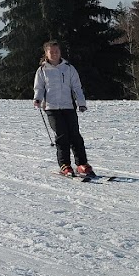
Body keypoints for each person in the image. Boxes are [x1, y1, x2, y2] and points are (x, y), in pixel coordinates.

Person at [33, 40, 93, 178]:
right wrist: (38, 99)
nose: (54, 54)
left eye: (56, 51)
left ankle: (82, 164)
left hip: (68, 106)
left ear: (60, 52)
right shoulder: (42, 70)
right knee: (62, 136)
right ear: (46, 54)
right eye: (51, 52)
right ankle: (64, 165)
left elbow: (77, 87)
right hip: (52, 108)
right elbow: (39, 87)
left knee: (75, 135)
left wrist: (81, 103)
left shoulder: (68, 68)